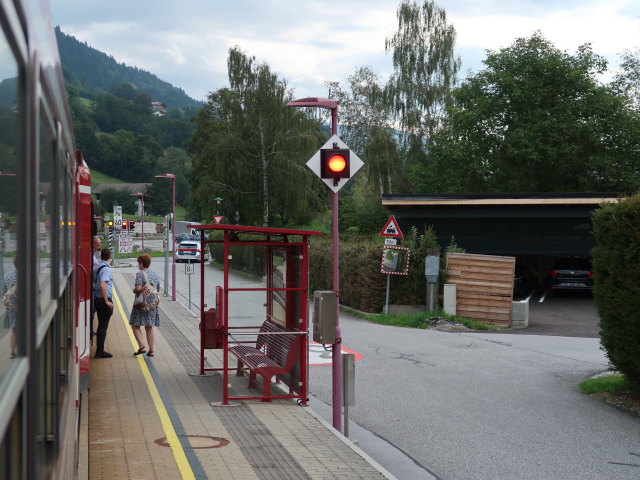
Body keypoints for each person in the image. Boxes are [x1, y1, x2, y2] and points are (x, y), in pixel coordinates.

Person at [130, 254, 160, 357]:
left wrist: (134, 290)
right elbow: (158, 289)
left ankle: (142, 346)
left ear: (141, 263)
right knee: (149, 327)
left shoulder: (140, 274)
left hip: (141, 304)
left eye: (139, 263)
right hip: (152, 304)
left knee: (135, 325)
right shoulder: (154, 274)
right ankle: (151, 350)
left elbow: (138, 288)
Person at [94, 247, 114, 358]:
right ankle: (100, 351)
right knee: (103, 326)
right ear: (110, 257)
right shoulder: (105, 269)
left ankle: (99, 350)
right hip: (103, 301)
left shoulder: (98, 266)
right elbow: (102, 284)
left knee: (101, 325)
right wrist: (107, 301)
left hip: (97, 299)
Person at [3, 257, 17, 359]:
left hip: (12, 306)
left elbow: (3, 291)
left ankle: (12, 352)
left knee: (14, 329)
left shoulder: (8, 275)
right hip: (26, 306)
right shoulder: (30, 274)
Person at [90, 236, 101, 340]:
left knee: (93, 309)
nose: (98, 247)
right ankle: (89, 330)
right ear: (93, 243)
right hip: (91, 285)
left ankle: (89, 329)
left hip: (92, 284)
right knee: (92, 309)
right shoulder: (89, 254)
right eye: (97, 245)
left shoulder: (92, 253)